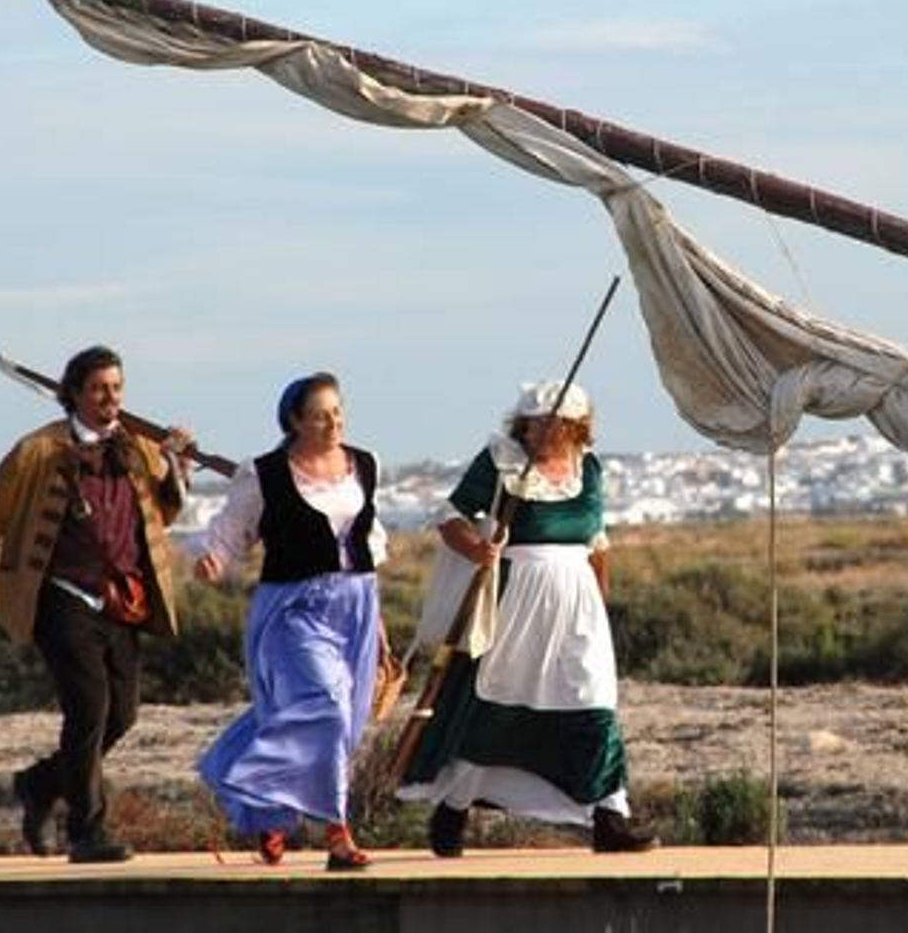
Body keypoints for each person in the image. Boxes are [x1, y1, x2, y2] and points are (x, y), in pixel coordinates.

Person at [0, 345, 193, 863]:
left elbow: (162, 514)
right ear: (74, 393)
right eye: (99, 389)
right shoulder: (36, 451)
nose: (110, 398)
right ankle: (87, 832)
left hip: (122, 602)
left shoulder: (139, 448)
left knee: (122, 715)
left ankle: (40, 784)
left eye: (117, 388)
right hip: (60, 599)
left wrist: (176, 463)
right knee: (89, 709)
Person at [396, 380, 657, 856]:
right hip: (515, 602)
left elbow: (596, 542)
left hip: (577, 604)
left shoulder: (589, 468)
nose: (539, 432)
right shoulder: (502, 462)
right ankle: (453, 809)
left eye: (551, 423)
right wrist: (477, 549)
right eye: (532, 423)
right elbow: (450, 517)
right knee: (494, 708)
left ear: (575, 427)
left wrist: (599, 602)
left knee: (593, 702)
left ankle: (610, 816)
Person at [194, 372, 387, 871]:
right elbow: (232, 530)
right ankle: (337, 834)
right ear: (295, 422)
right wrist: (215, 559)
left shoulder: (364, 463)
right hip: (293, 608)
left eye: (338, 412)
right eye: (320, 416)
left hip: (356, 605)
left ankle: (270, 811)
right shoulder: (264, 474)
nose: (334, 422)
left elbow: (371, 540)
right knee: (327, 706)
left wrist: (380, 629)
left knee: (339, 722)